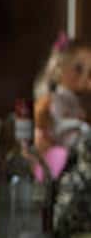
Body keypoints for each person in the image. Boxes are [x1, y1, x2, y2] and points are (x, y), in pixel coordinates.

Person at [33, 31, 91, 177]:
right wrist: (81, 126)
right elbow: (57, 128)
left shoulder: (76, 102)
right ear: (60, 69)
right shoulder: (55, 100)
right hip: (61, 157)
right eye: (78, 69)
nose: (86, 76)